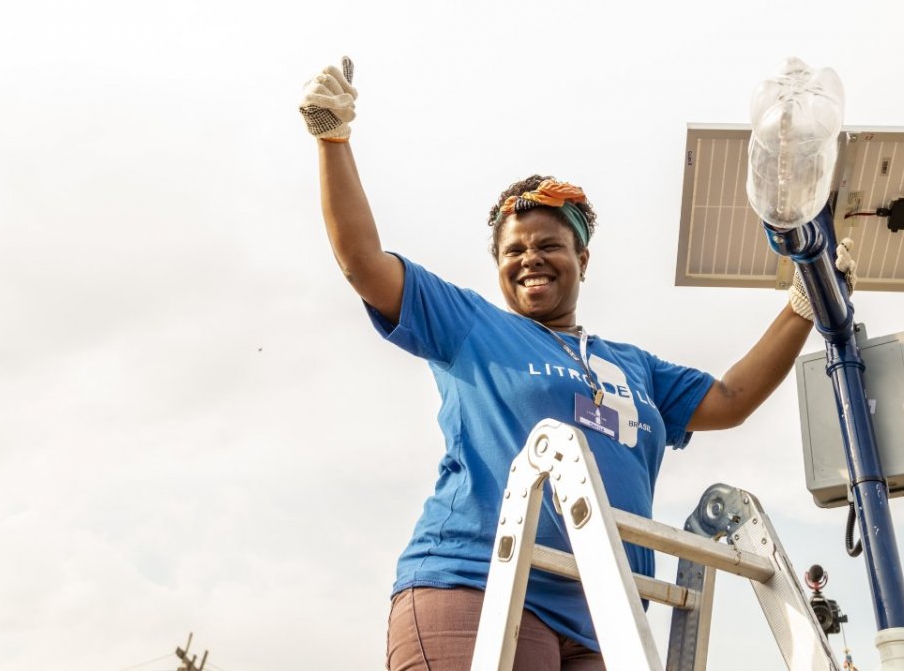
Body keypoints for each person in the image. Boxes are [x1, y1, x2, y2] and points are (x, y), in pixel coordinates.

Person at [299, 58, 854, 671]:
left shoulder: (632, 368)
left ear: (581, 259)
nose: (530, 258)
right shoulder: (472, 326)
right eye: (515, 250)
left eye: (548, 245)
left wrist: (805, 301)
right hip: (478, 585)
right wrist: (333, 139)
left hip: (603, 618)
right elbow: (363, 262)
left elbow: (730, 398)